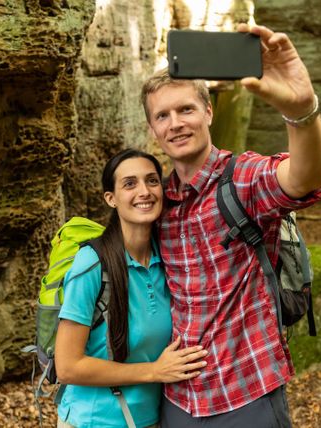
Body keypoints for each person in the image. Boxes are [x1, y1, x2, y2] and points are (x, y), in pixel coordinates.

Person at [141, 24, 321, 427]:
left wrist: (301, 111)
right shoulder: (157, 203)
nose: (175, 123)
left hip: (248, 388)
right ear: (153, 129)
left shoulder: (242, 179)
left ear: (208, 111)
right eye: (163, 115)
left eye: (186, 109)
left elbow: (304, 177)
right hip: (179, 398)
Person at [54, 148, 209, 428]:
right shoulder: (91, 263)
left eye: (152, 181)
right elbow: (67, 366)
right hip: (93, 421)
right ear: (111, 199)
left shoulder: (170, 260)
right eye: (129, 183)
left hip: (151, 418)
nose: (144, 191)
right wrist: (154, 371)